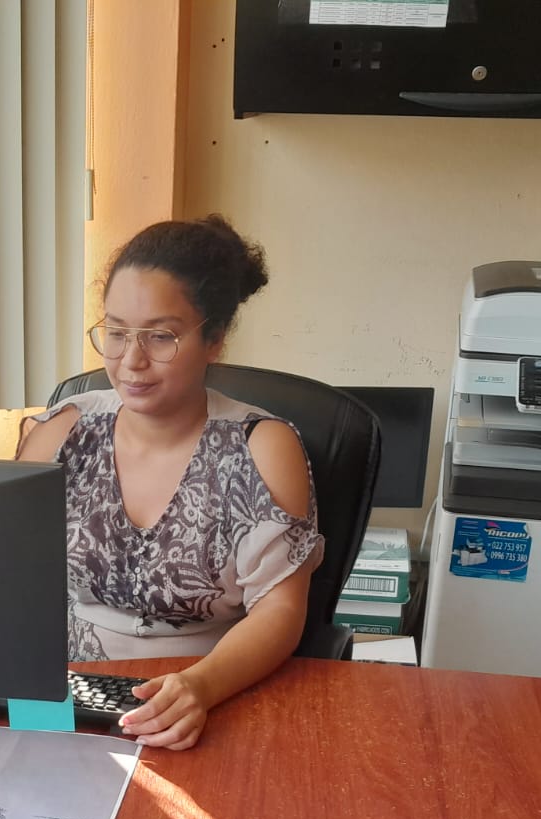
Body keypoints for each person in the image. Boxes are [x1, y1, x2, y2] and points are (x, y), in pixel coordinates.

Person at [18, 214, 323, 750]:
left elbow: (279, 610)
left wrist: (200, 686)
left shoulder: (259, 448)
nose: (131, 362)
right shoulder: (63, 432)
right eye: (116, 333)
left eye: (160, 336)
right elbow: (7, 574)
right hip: (64, 688)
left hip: (209, 694)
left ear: (214, 339)